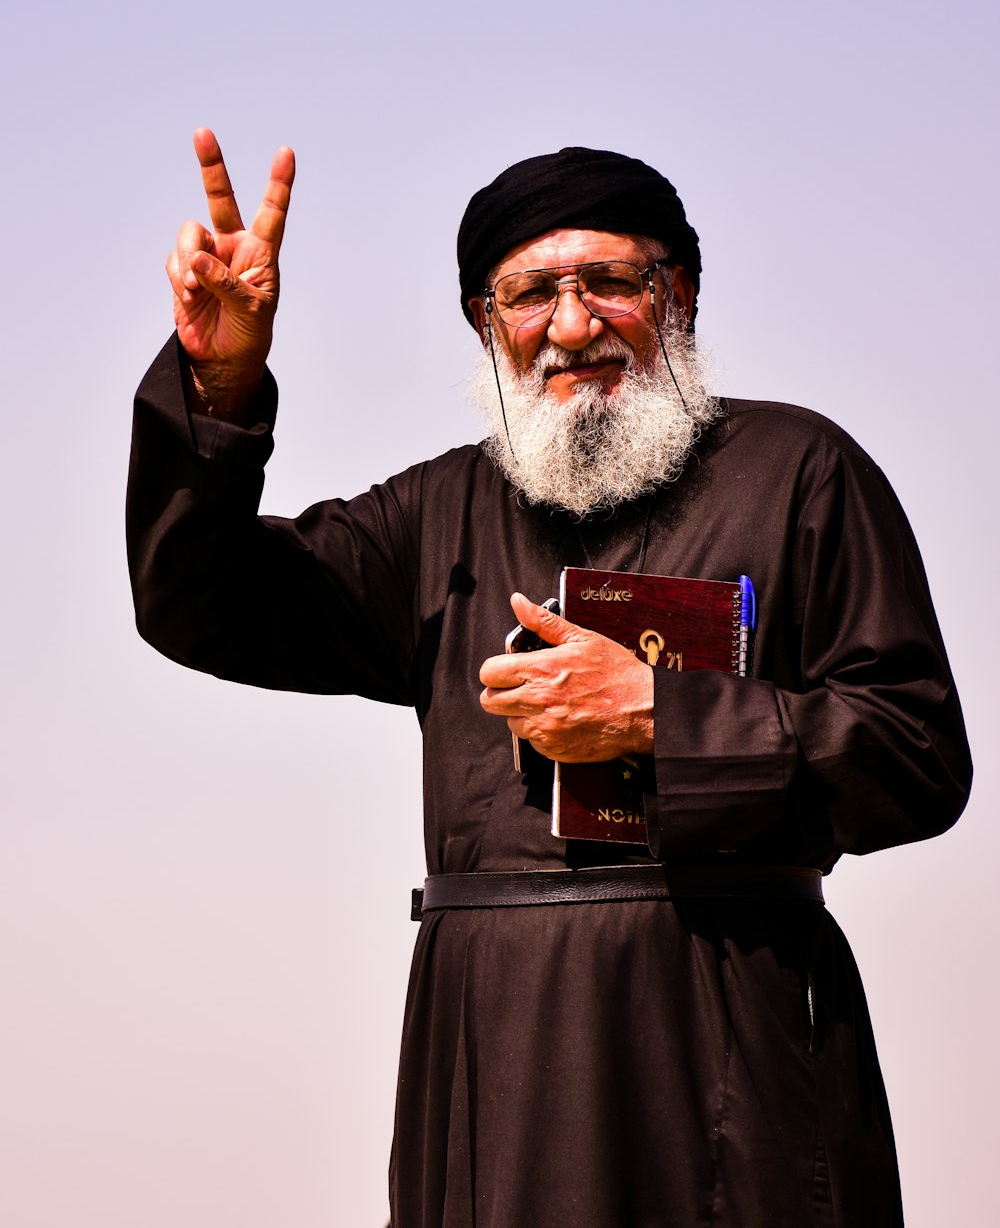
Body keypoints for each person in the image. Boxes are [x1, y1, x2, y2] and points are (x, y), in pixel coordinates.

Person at [128, 130, 971, 1228]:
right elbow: (202, 601)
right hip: (494, 1052)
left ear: (682, 295)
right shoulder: (435, 518)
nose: (571, 326)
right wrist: (223, 384)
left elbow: (915, 755)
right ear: (486, 323)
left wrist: (662, 718)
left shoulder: (801, 471)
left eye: (612, 282)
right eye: (530, 294)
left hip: (729, 1041)